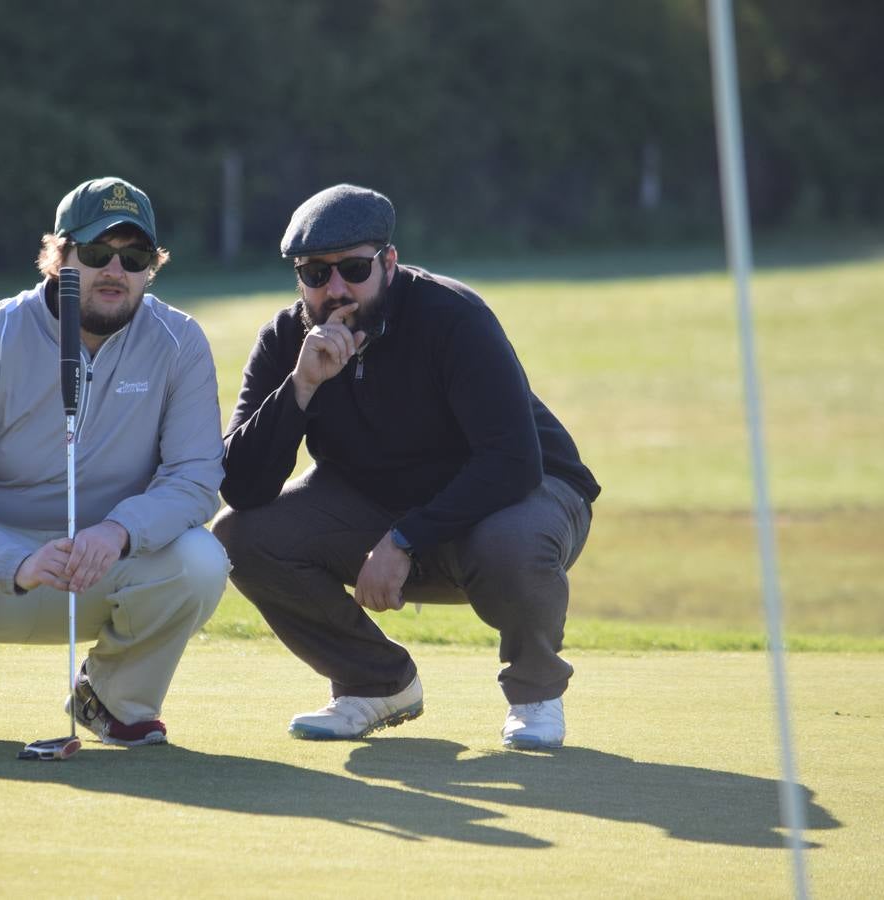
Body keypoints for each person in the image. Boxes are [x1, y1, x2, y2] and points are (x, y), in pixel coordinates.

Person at [211, 184, 600, 750]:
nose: (336, 287)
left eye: (354, 268)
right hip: (378, 503)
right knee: (237, 536)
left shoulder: (451, 316)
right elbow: (243, 488)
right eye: (316, 273)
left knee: (509, 542)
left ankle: (535, 695)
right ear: (300, 279)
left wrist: (402, 540)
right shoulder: (285, 341)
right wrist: (301, 387)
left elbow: (513, 462)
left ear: (388, 263)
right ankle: (376, 683)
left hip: (524, 495)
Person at [0, 176, 228, 747]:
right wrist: (12, 561)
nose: (115, 270)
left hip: (105, 563)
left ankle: (111, 700)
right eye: (95, 253)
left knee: (202, 560)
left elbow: (196, 478)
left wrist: (118, 531)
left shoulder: (179, 341)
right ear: (57, 256)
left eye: (132, 257)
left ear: (151, 266)